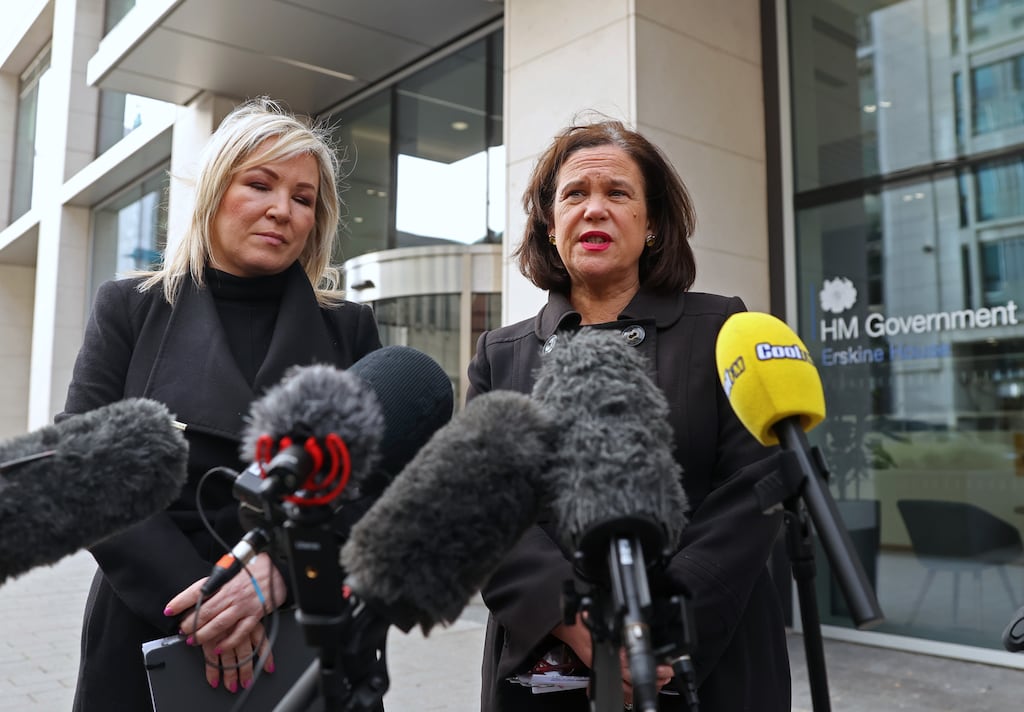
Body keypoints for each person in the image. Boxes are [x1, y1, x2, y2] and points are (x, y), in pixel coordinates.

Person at [61, 97, 382, 711]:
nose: (281, 210)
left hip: (304, 626)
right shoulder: (131, 306)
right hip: (151, 616)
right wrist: (203, 600)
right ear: (213, 192)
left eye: (303, 197)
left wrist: (277, 575)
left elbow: (376, 488)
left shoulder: (350, 330)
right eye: (259, 184)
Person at [468, 119, 791, 711]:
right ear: (549, 222)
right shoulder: (502, 355)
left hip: (705, 661)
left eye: (617, 193)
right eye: (574, 194)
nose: (594, 210)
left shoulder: (723, 329)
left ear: (652, 224)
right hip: (549, 667)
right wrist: (576, 624)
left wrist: (658, 630)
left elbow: (751, 493)